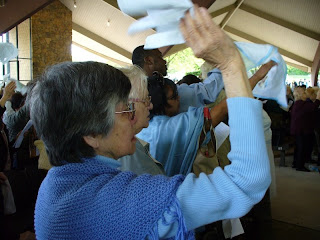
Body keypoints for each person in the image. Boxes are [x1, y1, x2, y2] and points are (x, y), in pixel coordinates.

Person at [32, 5, 270, 239]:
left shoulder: (53, 188)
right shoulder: (122, 204)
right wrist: (231, 65)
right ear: (91, 134)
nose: (134, 117)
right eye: (125, 110)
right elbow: (245, 183)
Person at [118, 65, 165, 175]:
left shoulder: (126, 142)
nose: (151, 106)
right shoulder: (126, 152)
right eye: (146, 100)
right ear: (128, 106)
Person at [290, 87, 320, 171]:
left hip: (298, 129)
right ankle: (300, 166)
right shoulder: (301, 103)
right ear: (299, 95)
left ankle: (296, 163)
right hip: (301, 129)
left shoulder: (298, 103)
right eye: (304, 93)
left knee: (298, 147)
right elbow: (314, 107)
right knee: (301, 148)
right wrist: (318, 98)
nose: (305, 94)